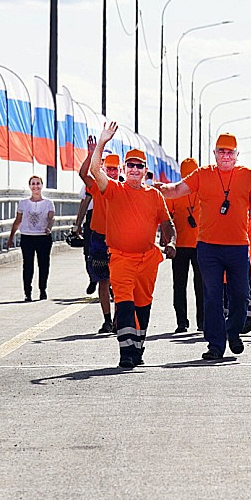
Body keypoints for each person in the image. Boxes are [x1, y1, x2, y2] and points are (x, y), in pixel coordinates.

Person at [157, 133, 251, 361]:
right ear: (214, 153)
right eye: (221, 151)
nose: (226, 156)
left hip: (238, 247)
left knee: (241, 295)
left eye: (230, 152)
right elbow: (177, 189)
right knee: (212, 297)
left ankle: (233, 331)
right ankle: (215, 345)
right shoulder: (203, 174)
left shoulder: (247, 176)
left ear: (237, 155)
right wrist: (158, 188)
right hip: (208, 247)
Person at [90, 122, 176, 369]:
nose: (135, 169)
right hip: (121, 258)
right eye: (131, 165)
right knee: (125, 302)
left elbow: (167, 223)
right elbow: (95, 169)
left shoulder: (154, 195)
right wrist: (103, 142)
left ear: (145, 170)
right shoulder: (114, 189)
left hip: (148, 259)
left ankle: (138, 347)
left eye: (140, 166)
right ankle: (126, 351)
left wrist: (170, 242)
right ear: (125, 169)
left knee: (143, 305)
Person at [79, 136, 121, 333]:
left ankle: (119, 319)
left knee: (119, 281)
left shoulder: (124, 189)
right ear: (103, 169)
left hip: (119, 239)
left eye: (115, 169)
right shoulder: (96, 186)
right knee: (103, 280)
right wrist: (91, 154)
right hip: (98, 238)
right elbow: (83, 173)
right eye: (108, 168)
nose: (111, 172)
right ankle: (107, 320)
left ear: (120, 170)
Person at [166, 157, 204, 333]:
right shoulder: (180, 191)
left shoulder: (181, 191)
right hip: (187, 245)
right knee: (194, 285)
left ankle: (188, 322)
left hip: (196, 244)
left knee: (184, 285)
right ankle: (189, 322)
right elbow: (166, 217)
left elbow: (165, 219)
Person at [7, 175, 55, 302]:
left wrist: (49, 228)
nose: (35, 186)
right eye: (33, 184)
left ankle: (43, 289)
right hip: (27, 237)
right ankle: (27, 292)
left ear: (42, 185)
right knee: (28, 265)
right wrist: (11, 237)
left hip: (43, 237)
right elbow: (18, 221)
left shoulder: (48, 203)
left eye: (38, 183)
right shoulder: (23, 203)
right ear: (29, 186)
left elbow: (51, 218)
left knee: (43, 265)